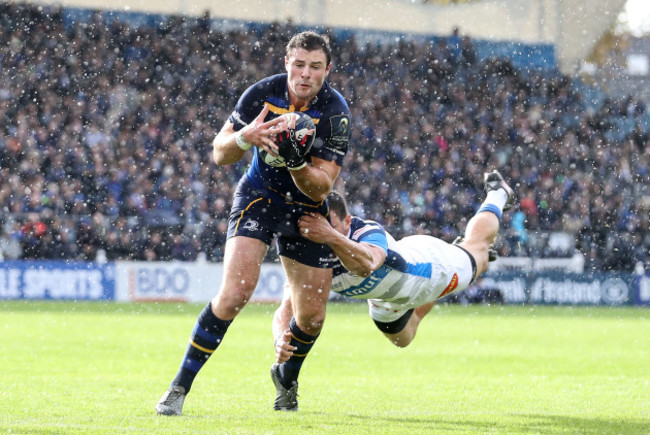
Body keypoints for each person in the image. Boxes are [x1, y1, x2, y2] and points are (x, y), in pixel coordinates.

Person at [155, 31, 351, 415]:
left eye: (315, 67)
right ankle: (178, 388)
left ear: (328, 69)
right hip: (259, 196)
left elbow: (322, 185)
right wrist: (245, 137)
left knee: (311, 316)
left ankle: (287, 379)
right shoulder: (262, 93)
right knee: (234, 294)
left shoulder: (335, 112)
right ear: (286, 63)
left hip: (305, 207)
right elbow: (219, 153)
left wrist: (296, 161)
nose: (305, 74)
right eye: (298, 65)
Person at [273, 170, 514, 362]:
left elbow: (367, 263)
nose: (319, 233)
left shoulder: (364, 232)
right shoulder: (309, 255)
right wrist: (280, 340)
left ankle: (498, 194)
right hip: (385, 297)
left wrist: (330, 236)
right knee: (403, 339)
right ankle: (429, 292)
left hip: (429, 267)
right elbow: (287, 304)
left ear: (347, 221)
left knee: (479, 252)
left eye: (330, 226)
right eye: (314, 228)